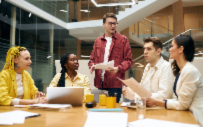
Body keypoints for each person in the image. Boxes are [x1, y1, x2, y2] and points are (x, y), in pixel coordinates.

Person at [146, 35, 203, 126]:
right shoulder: (181, 70)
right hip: (185, 116)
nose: (169, 49)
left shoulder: (190, 71)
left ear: (180, 49)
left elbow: (183, 105)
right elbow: (177, 100)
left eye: (172, 46)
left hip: (194, 119)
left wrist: (156, 102)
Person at [88, 13, 133, 103]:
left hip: (115, 84)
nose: (112, 26)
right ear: (103, 24)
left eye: (114, 23)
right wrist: (92, 65)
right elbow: (92, 59)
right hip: (99, 83)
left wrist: (118, 68)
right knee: (99, 112)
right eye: (110, 23)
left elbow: (129, 61)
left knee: (113, 111)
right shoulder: (98, 41)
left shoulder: (123, 39)